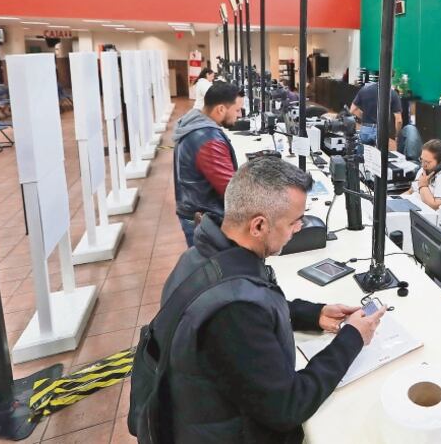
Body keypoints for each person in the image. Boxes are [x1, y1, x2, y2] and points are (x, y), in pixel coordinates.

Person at [157, 157, 386, 442]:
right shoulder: (234, 313)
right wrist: (353, 337)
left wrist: (312, 314)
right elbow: (288, 407)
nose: (299, 228)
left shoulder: (202, 256)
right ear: (258, 226)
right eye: (294, 221)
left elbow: (251, 304)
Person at [173, 81, 242, 246]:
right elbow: (231, 189)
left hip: (194, 209)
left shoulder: (194, 123)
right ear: (220, 109)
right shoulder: (208, 140)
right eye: (237, 110)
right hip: (204, 218)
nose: (239, 115)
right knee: (213, 269)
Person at [350, 81, 401, 147]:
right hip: (381, 131)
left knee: (363, 154)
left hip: (366, 129)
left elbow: (352, 110)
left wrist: (366, 117)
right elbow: (399, 120)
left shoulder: (364, 90)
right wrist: (396, 135)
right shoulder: (393, 94)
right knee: (379, 156)